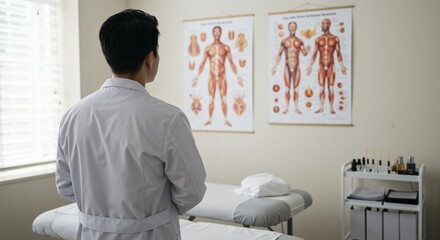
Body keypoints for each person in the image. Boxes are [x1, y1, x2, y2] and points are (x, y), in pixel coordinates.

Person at [56, 9, 206, 240]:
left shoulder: (73, 115)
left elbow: (65, 186)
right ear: (150, 58)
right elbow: (192, 192)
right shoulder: (167, 118)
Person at [192, 26, 243, 127]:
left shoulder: (225, 48)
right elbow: (202, 63)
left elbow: (232, 63)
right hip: (212, 77)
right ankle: (210, 119)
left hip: (221, 76)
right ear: (212, 33)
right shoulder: (208, 48)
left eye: (218, 31)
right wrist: (197, 77)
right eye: (215, 31)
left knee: (223, 98)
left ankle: (225, 120)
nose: (216, 33)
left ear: (221, 33)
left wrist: (238, 76)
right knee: (211, 98)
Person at [306, 18, 347, 114]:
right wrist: (310, 66)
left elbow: (338, 53)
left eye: (325, 24)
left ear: (329, 25)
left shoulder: (335, 38)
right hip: (321, 65)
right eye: (322, 24)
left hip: (330, 65)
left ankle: (331, 108)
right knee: (321, 88)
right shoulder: (318, 39)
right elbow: (315, 53)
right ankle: (321, 108)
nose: (323, 25)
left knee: (331, 87)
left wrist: (342, 65)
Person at [271, 21, 310, 114]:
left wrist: (307, 50)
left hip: (297, 66)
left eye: (294, 27)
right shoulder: (284, 41)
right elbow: (279, 54)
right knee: (287, 88)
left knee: (296, 88)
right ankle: (287, 108)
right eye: (291, 27)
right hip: (287, 66)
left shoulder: (300, 41)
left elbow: (304, 54)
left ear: (296, 28)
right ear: (288, 28)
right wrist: (275, 66)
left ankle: (296, 108)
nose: (292, 28)